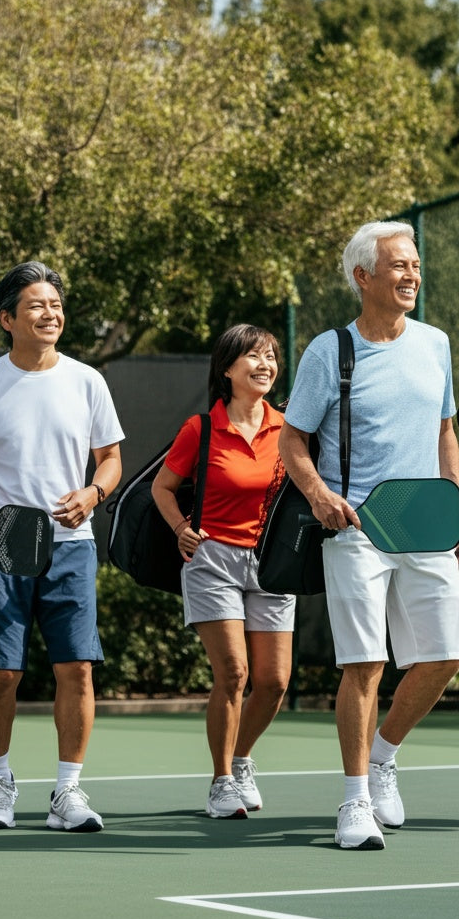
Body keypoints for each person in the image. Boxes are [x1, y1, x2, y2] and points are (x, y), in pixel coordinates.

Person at [278, 221, 459, 850]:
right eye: (398, 265)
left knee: (445, 657)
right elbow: (292, 439)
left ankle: (385, 753)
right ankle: (354, 799)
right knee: (364, 664)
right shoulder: (328, 351)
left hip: (425, 520)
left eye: (416, 264)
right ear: (363, 276)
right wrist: (319, 495)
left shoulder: (436, 344)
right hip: (357, 527)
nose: (412, 275)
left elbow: (447, 430)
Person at [0, 260, 124, 832]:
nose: (51, 313)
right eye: (37, 305)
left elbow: (111, 459)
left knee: (78, 671)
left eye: (56, 305)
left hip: (71, 545)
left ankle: (67, 793)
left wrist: (93, 493)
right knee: (3, 674)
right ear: (7, 319)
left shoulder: (88, 380)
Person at [152, 325, 296, 820]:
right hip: (212, 561)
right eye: (253, 356)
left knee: (275, 682)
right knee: (234, 673)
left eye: (271, 356)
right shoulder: (202, 429)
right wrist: (180, 528)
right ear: (228, 368)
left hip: (272, 564)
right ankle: (220, 781)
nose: (265, 364)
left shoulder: (291, 429)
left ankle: (241, 757)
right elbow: (162, 487)